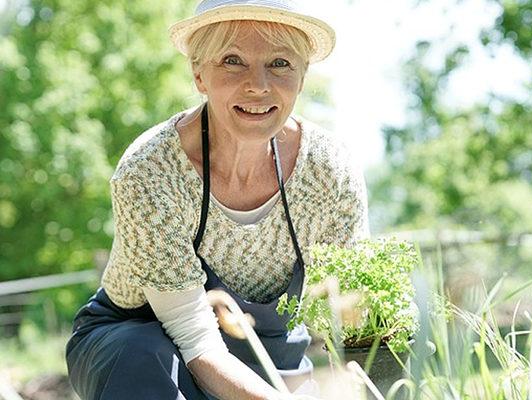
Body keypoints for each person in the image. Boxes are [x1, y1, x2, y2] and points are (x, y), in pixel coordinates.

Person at [64, 0, 370, 399]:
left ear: (302, 74)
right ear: (198, 74)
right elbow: (194, 337)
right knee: (144, 354)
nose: (258, 84)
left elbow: (354, 318)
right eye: (232, 60)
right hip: (141, 352)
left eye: (280, 63)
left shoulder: (330, 171)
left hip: (269, 354)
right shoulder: (151, 170)